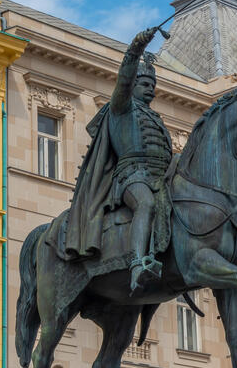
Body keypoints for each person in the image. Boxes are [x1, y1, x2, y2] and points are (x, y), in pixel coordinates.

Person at [61, 27, 172, 294]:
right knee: (145, 204)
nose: (151, 90)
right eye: (145, 85)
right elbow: (123, 79)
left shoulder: (156, 119)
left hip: (160, 178)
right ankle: (137, 264)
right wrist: (135, 49)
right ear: (132, 86)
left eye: (153, 86)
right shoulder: (122, 108)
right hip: (131, 176)